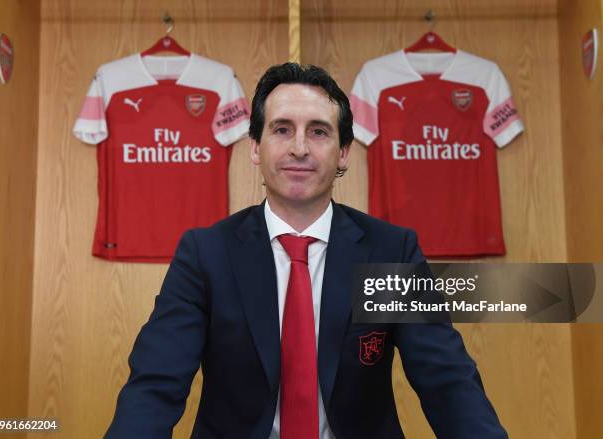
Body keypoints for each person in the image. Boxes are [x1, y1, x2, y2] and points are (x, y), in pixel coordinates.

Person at [105, 63, 508, 438]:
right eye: (281, 129)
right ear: (255, 148)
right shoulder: (206, 254)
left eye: (318, 131)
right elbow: (156, 385)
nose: (299, 148)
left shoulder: (390, 251)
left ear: (344, 152)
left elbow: (447, 382)